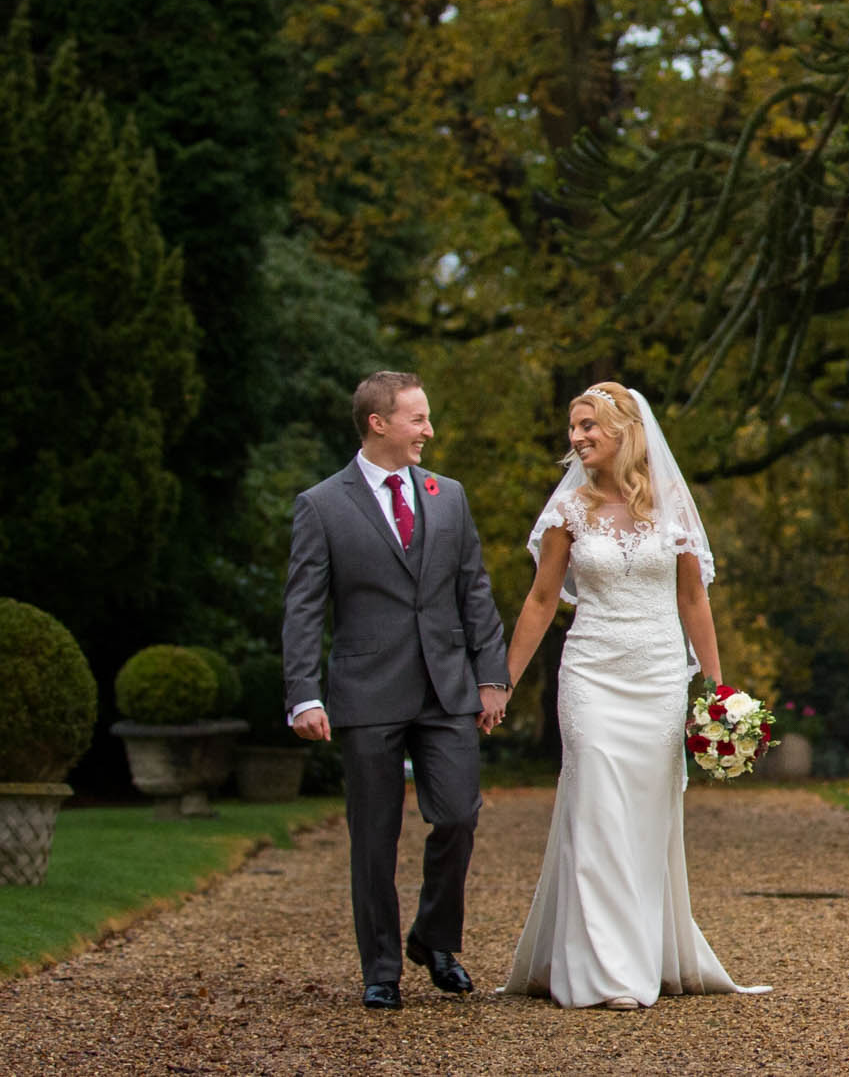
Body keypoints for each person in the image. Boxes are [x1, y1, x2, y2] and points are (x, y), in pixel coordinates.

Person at [498, 381, 766, 1008]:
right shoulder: (568, 512)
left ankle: (643, 952)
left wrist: (716, 687)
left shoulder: (671, 503)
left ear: (625, 431)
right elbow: (541, 601)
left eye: (588, 425)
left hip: (657, 677)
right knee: (592, 802)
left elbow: (693, 599)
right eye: (573, 427)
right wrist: (503, 682)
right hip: (590, 671)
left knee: (644, 819)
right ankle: (605, 972)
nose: (577, 437)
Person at [280, 370, 510, 1011]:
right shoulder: (322, 504)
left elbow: (475, 591)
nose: (429, 431)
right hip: (365, 691)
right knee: (374, 838)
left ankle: (434, 939)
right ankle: (380, 967)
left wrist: (491, 677)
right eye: (418, 419)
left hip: (446, 688)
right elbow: (303, 608)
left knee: (459, 814)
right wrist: (303, 694)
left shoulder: (449, 496)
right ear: (378, 423)